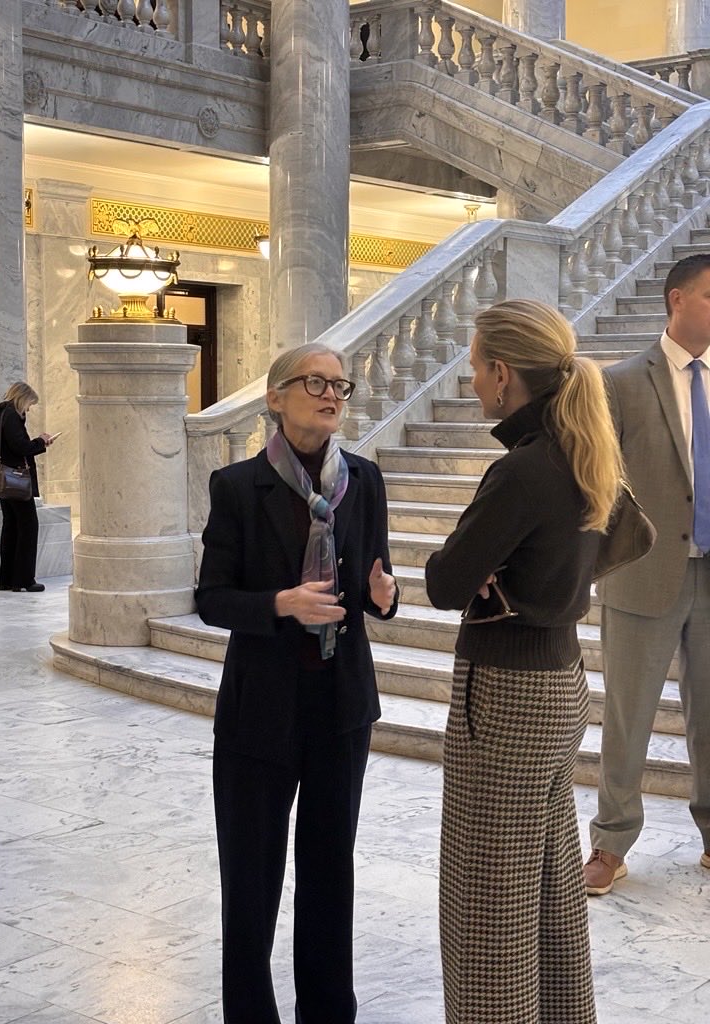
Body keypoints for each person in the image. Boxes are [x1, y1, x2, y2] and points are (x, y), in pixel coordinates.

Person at [425, 299, 623, 1024]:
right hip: (562, 684)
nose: (473, 382)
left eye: (476, 368)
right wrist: (524, 577)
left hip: (505, 693)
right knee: (546, 887)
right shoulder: (584, 449)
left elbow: (446, 582)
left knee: (487, 902)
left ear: (504, 374)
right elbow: (619, 540)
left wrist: (479, 569)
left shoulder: (522, 470)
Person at [195, 342, 398, 1024]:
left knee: (328, 870)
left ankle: (327, 1010)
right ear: (275, 397)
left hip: (341, 708)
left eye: (340, 384)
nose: (332, 394)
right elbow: (212, 598)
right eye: (316, 382)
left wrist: (383, 594)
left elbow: (374, 587)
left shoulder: (363, 480)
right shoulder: (237, 486)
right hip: (261, 711)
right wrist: (281, 603)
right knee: (250, 882)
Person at [585, 253, 710, 895]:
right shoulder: (622, 381)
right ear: (676, 300)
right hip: (643, 572)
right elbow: (599, 480)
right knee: (628, 714)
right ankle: (610, 843)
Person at [0, 382, 54, 593]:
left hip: (3, 480)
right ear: (22, 398)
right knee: (28, 527)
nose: (29, 409)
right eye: (30, 404)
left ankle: (7, 579)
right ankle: (24, 580)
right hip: (15, 480)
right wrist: (41, 442)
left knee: (12, 527)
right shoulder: (12, 416)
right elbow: (20, 447)